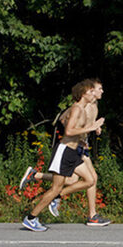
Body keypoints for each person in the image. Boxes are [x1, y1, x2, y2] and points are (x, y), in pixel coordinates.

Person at [18, 79, 110, 226]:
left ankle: (49, 191)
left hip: (73, 153)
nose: (95, 93)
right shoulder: (77, 108)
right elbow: (69, 131)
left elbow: (74, 125)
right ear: (83, 93)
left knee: (90, 180)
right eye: (91, 91)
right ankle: (31, 218)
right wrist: (90, 128)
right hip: (64, 151)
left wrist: (92, 127)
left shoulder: (85, 107)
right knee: (56, 189)